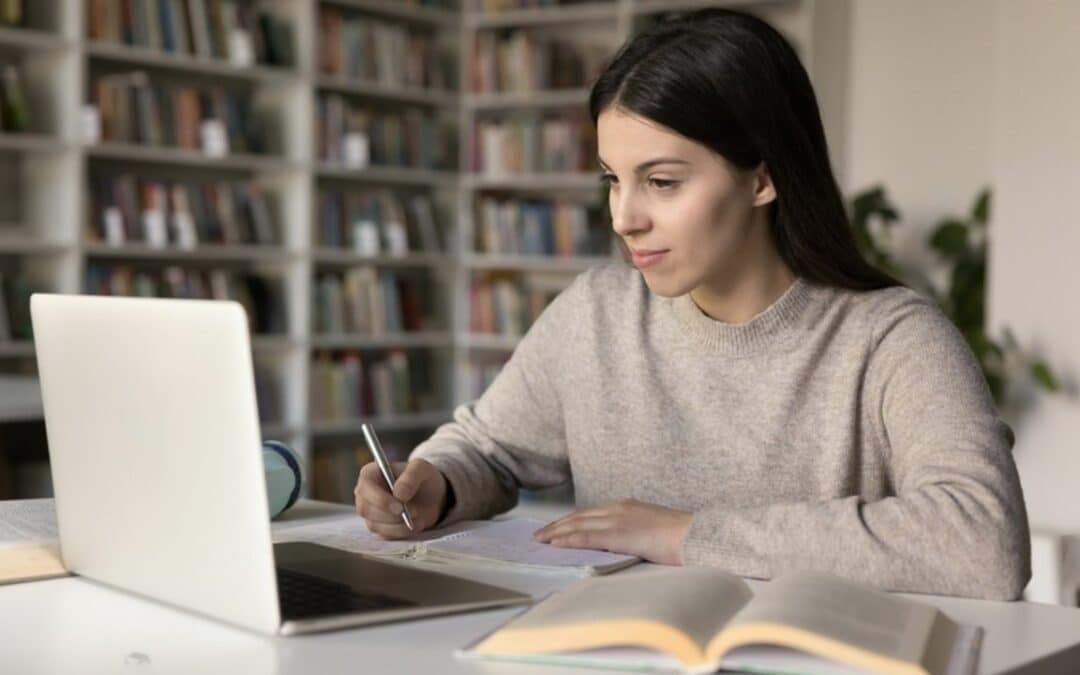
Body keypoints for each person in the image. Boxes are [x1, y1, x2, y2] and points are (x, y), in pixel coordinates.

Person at [353, 8, 1030, 601]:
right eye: (613, 180)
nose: (624, 216)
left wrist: (686, 534)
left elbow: (982, 540)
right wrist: (433, 483)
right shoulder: (596, 313)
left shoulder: (892, 338)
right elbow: (488, 447)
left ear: (762, 176)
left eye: (662, 182)